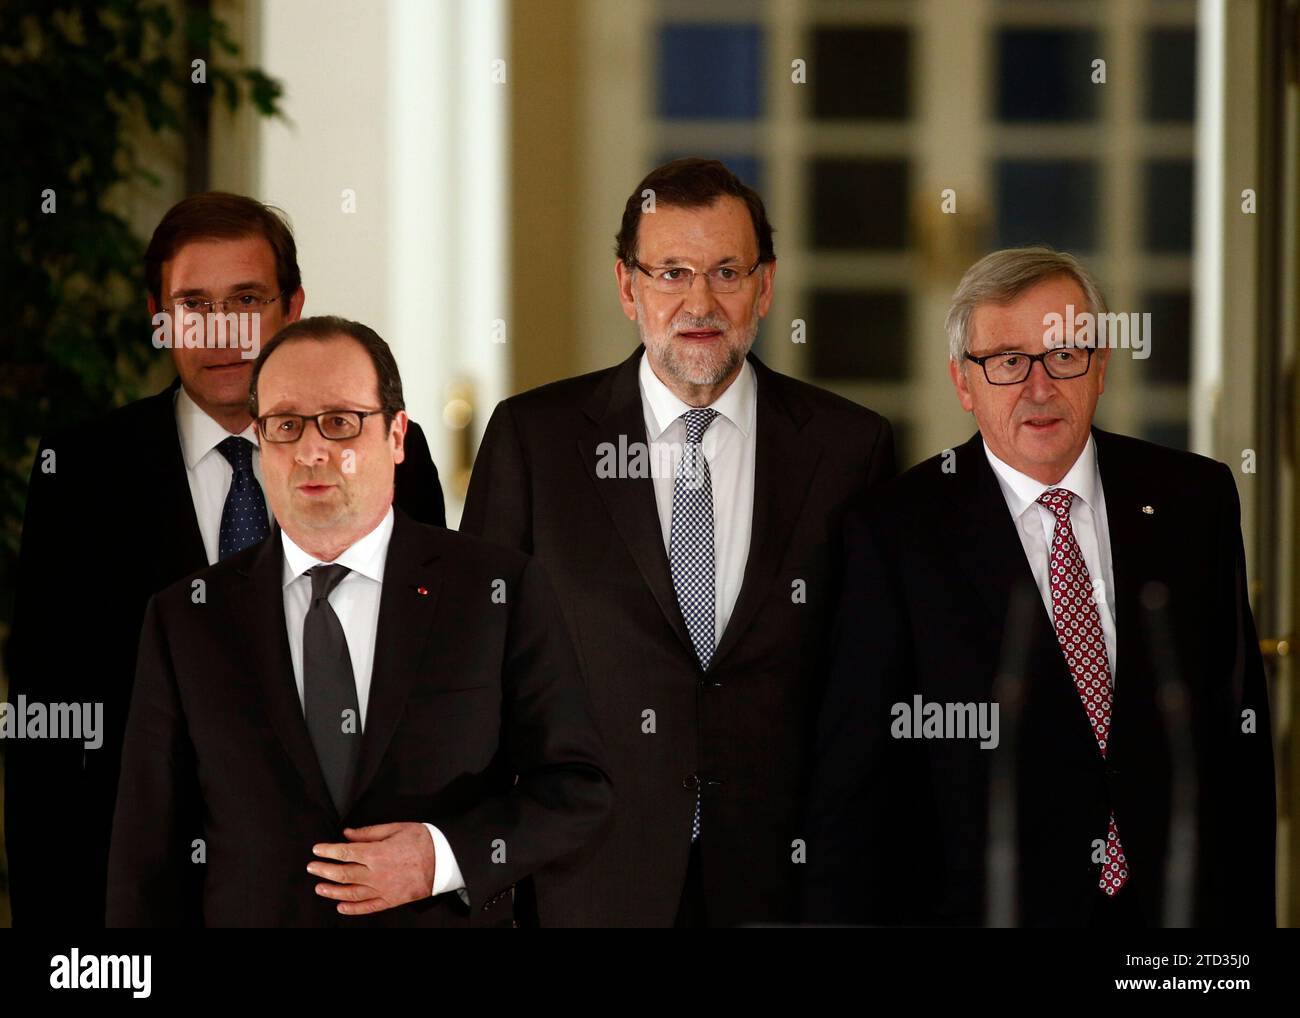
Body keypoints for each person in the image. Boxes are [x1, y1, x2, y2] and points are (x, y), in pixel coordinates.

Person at [460, 158, 895, 926]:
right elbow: (478, 687)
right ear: (628, 286)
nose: (700, 301)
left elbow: (865, 700)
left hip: (782, 891)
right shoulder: (535, 442)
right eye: (672, 272)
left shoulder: (848, 450)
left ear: (765, 286)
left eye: (727, 271)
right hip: (585, 887)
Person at [5, 194, 445, 927]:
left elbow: (431, 683)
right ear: (159, 316)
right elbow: (44, 734)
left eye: (247, 299)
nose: (224, 332)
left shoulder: (389, 450)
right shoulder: (80, 475)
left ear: (294, 305)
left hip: (359, 890)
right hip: (148, 899)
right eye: (194, 305)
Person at [803, 246, 1275, 927]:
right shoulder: (893, 532)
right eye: (1006, 361)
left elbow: (1240, 751)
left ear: (1101, 365)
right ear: (964, 384)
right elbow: (854, 789)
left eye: (1063, 355)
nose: (1039, 386)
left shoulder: (1193, 498)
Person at [107, 316, 610, 926]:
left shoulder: (497, 591)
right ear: (261, 441)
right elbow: (145, 864)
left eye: (341, 422)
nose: (313, 451)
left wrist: (441, 857)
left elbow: (578, 790)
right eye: (286, 425)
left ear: (397, 436)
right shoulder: (186, 618)